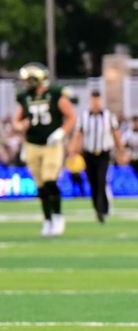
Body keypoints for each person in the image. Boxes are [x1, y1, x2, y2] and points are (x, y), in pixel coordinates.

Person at [13, 62, 77, 237]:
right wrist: (20, 126)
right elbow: (16, 122)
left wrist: (61, 132)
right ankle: (47, 219)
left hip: (51, 145)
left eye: (29, 80)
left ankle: (57, 216)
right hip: (32, 144)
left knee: (50, 180)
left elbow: (71, 116)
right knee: (40, 186)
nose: (26, 83)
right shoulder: (25, 97)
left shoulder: (55, 94)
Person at [73, 89, 127, 223]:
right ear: (90, 101)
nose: (95, 103)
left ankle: (102, 209)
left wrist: (121, 150)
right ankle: (97, 208)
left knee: (101, 180)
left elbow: (115, 133)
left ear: (101, 101)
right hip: (88, 153)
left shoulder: (108, 116)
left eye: (97, 100)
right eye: (93, 100)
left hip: (103, 153)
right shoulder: (84, 116)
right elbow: (78, 135)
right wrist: (73, 151)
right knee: (93, 182)